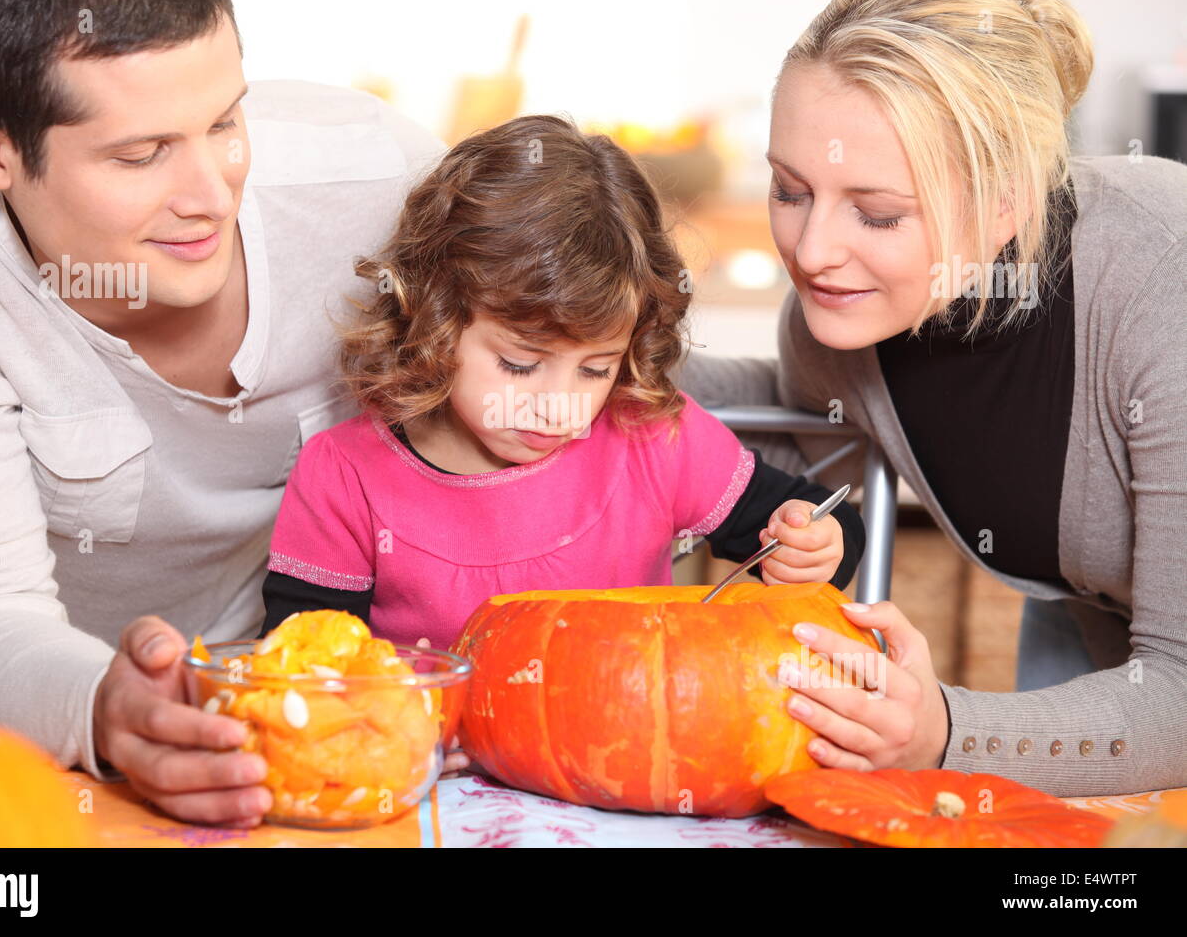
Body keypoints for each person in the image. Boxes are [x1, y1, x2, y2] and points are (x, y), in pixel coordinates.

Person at [0, 0, 443, 827]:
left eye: (224, 123)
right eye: (141, 154)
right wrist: (109, 709)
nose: (213, 196)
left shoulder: (384, 179)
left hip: (311, 740)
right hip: (7, 758)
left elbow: (584, 357)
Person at [688, 0, 1187, 795]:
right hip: (1103, 648)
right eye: (789, 190)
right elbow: (796, 433)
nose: (812, 252)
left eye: (877, 214)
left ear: (1005, 205)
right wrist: (585, 341)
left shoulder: (1165, 274)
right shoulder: (840, 326)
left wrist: (948, 732)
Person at [259, 115, 867, 655]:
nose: (558, 406)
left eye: (595, 369)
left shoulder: (652, 439)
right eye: (521, 365)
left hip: (623, 761)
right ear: (434, 319)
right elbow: (308, 668)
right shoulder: (344, 475)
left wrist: (816, 546)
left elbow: (810, 523)